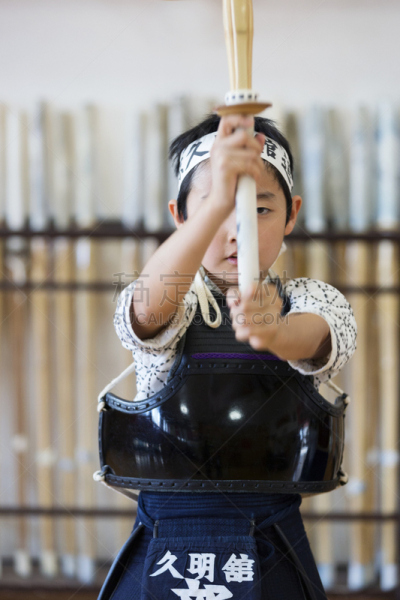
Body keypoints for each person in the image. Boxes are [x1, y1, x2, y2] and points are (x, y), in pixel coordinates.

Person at [99, 113, 357, 600]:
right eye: (217, 210)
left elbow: (317, 338)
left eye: (259, 209)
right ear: (180, 216)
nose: (238, 230)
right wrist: (221, 199)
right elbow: (146, 311)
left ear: (292, 214)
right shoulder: (170, 295)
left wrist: (275, 331)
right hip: (166, 539)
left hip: (272, 538)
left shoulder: (309, 298)